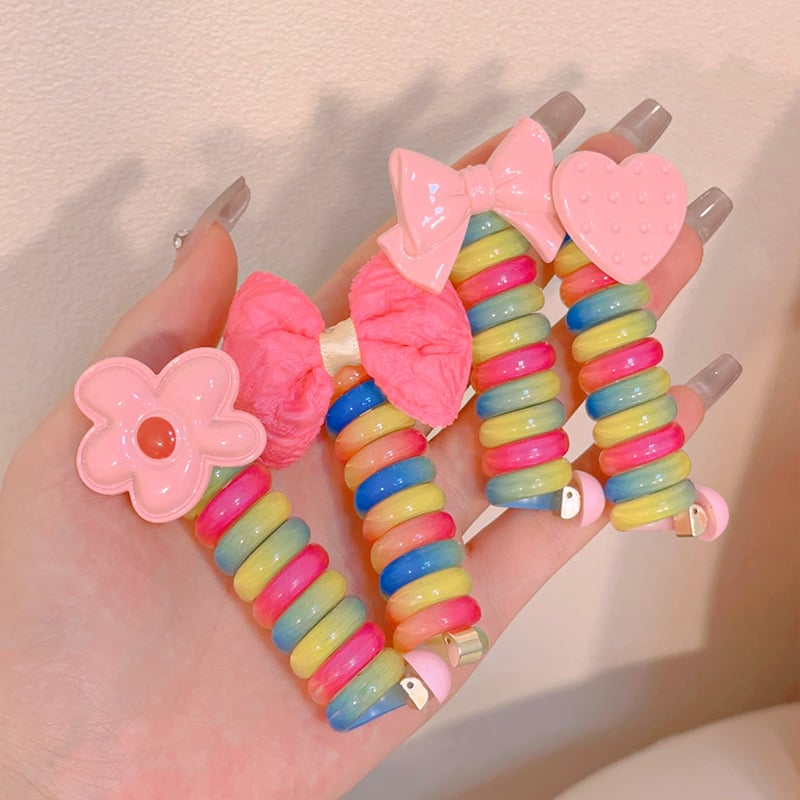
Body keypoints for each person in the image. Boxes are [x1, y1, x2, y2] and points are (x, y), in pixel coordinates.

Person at [0, 97, 739, 799]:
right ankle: (416, 638)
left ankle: (621, 482)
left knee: (454, 460)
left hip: (416, 377)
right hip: (291, 486)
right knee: (359, 536)